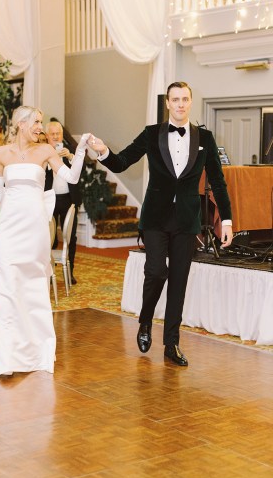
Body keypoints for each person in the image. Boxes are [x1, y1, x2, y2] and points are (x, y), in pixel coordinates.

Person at [89, 81, 233, 366]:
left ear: (191, 102)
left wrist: (226, 220)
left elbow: (218, 180)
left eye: (185, 99)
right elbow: (122, 162)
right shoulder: (152, 133)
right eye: (175, 99)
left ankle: (171, 343)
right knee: (156, 271)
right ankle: (145, 321)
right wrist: (104, 151)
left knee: (179, 282)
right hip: (155, 217)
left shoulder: (204, 137)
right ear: (167, 103)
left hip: (187, 221)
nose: (180, 104)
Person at [0, 105, 91, 378]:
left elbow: (71, 177)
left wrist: (79, 153)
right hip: (8, 226)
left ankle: (37, 353)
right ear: (21, 123)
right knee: (7, 285)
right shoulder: (0, 153)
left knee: (34, 286)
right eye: (37, 122)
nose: (41, 128)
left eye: (41, 122)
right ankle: (7, 356)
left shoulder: (46, 152)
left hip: (35, 228)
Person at [44, 120, 82, 284]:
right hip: (48, 199)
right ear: (46, 136)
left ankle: (70, 272)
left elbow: (80, 170)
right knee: (48, 237)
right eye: (52, 134)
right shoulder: (41, 151)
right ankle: (48, 271)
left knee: (71, 237)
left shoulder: (69, 150)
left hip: (68, 199)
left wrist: (71, 157)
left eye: (58, 133)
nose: (55, 137)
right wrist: (49, 161)